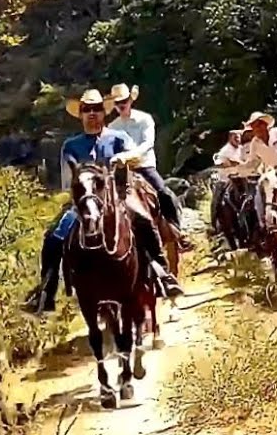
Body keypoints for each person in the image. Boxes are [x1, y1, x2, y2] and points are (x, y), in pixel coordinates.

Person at [24, 89, 184, 313]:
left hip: (118, 196)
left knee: (144, 221)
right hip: (84, 200)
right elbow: (67, 180)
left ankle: (163, 273)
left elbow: (134, 158)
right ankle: (46, 291)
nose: (92, 113)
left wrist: (123, 157)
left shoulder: (118, 138)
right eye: (86, 110)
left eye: (96, 109)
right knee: (54, 236)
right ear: (80, 114)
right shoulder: (71, 145)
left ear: (103, 113)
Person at [105, 84, 192, 251]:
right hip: (122, 170)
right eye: (117, 102)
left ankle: (178, 232)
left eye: (124, 101)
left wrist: (127, 156)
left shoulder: (144, 119)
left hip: (144, 166)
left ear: (130, 100)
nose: (121, 105)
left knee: (164, 193)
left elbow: (147, 144)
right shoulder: (112, 128)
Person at [209, 129, 246, 229]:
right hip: (226, 179)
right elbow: (219, 162)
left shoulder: (242, 149)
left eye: (239, 136)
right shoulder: (224, 151)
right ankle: (215, 222)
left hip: (243, 177)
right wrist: (226, 163)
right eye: (235, 137)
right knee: (218, 197)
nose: (238, 139)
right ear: (230, 138)